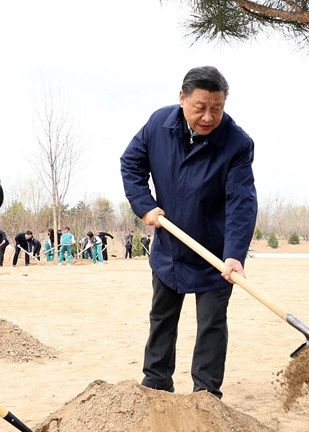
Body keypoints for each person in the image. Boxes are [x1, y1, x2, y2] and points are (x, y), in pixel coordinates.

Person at [121, 66, 258, 399]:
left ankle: (206, 394)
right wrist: (144, 204)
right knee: (162, 317)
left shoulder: (236, 143)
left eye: (217, 108)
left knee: (211, 324)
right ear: (182, 98)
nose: (209, 117)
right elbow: (131, 163)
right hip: (170, 245)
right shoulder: (158, 125)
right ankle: (156, 383)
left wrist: (234, 255)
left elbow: (242, 202)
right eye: (200, 107)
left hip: (215, 254)